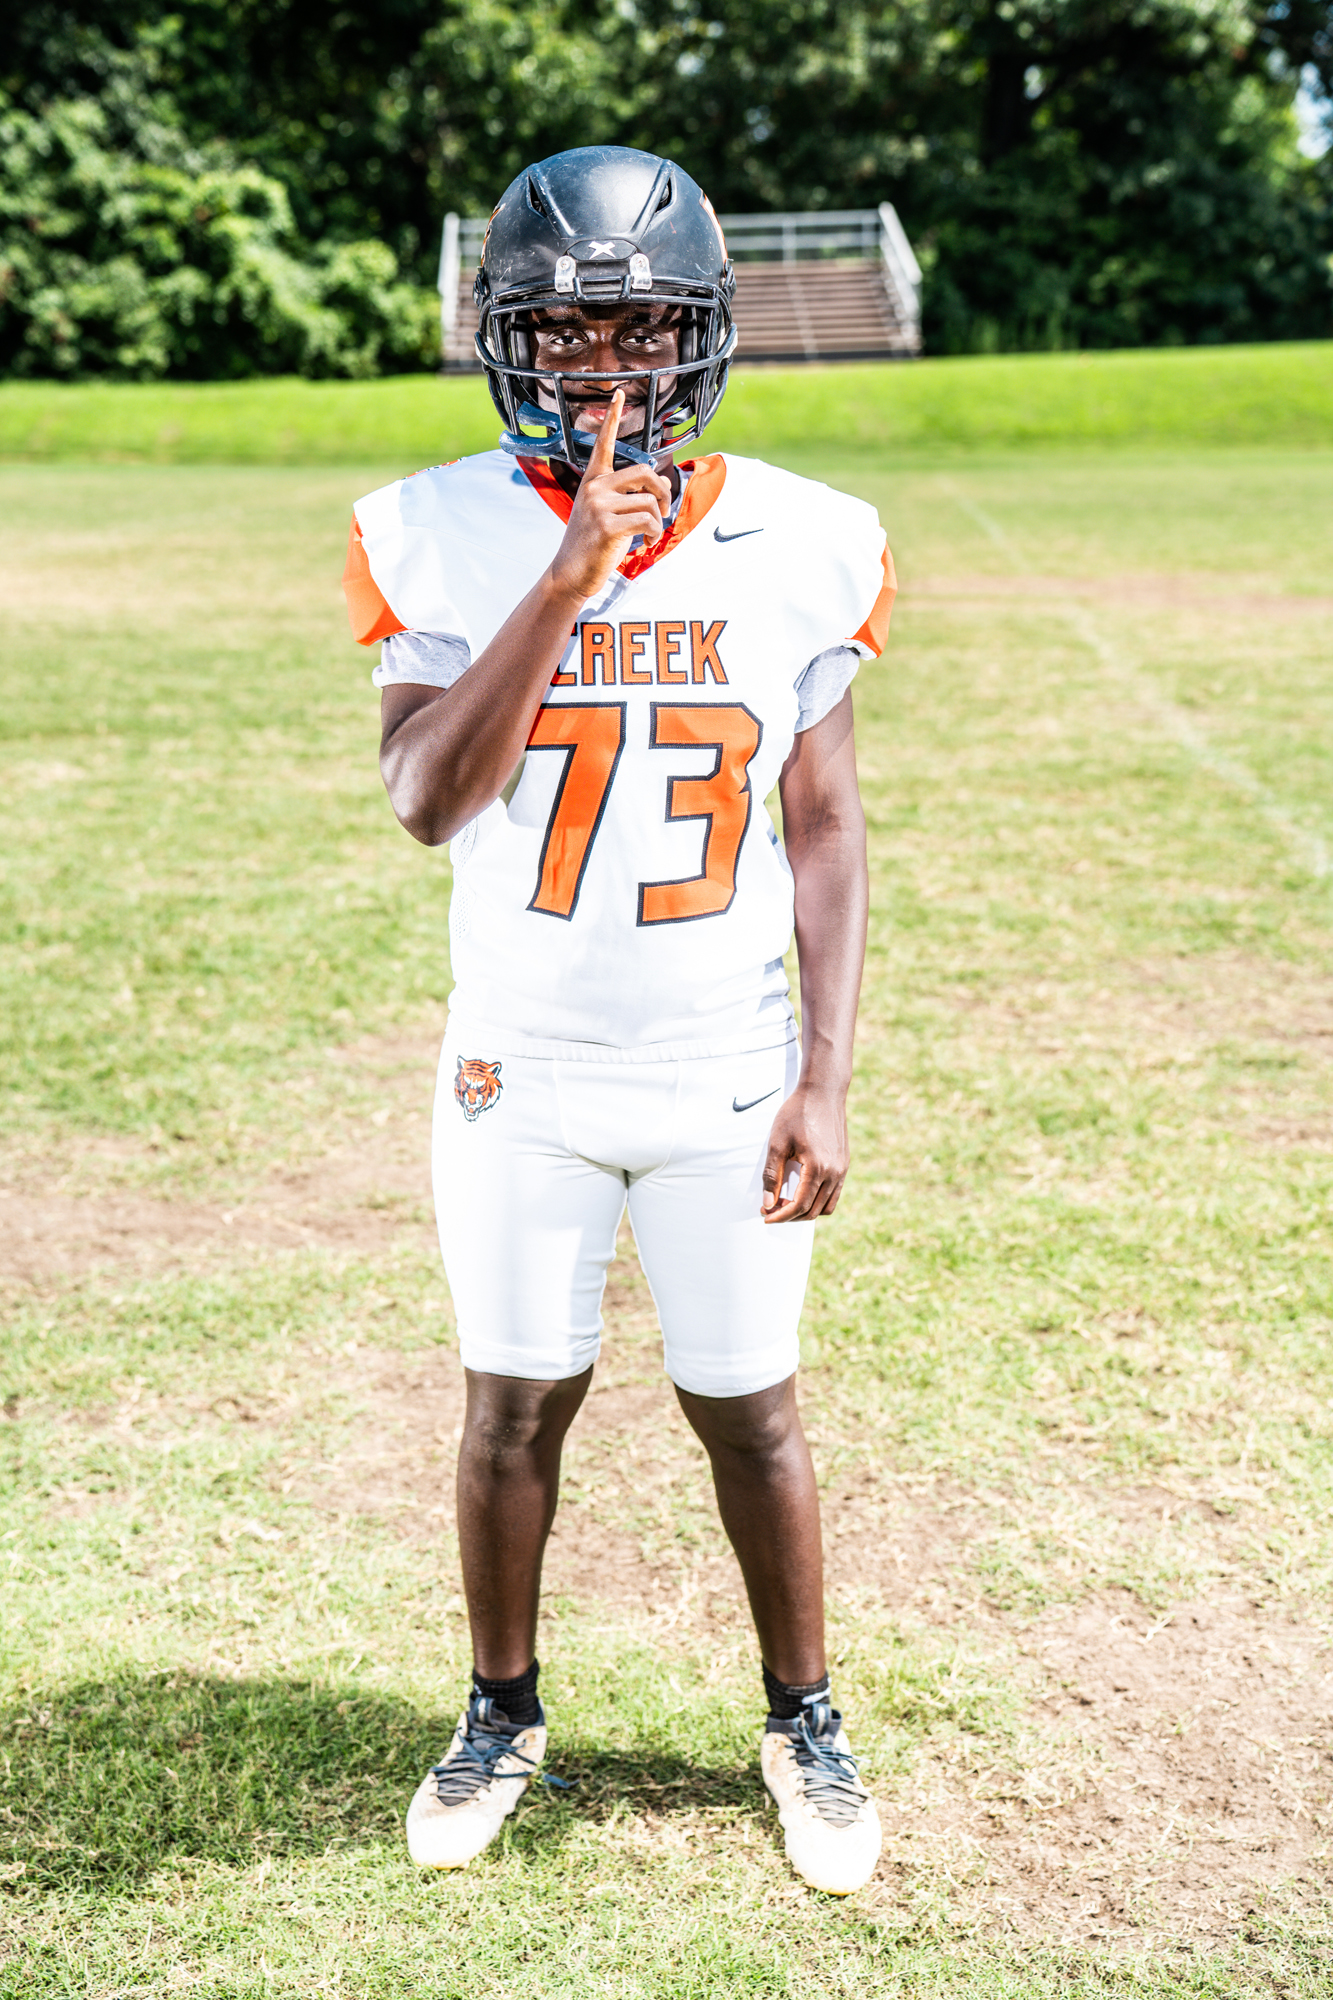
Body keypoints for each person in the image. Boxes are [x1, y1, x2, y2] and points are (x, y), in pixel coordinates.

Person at [342, 145, 895, 1895]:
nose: (604, 367)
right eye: (566, 334)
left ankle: (802, 1718)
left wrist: (823, 1075)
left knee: (752, 1410)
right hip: (519, 1066)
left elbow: (824, 827)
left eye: (641, 330)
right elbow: (427, 798)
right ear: (503, 340)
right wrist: (565, 581)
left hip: (728, 1061)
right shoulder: (435, 526)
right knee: (514, 1403)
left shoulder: (802, 536)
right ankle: (499, 1713)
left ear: (699, 337)